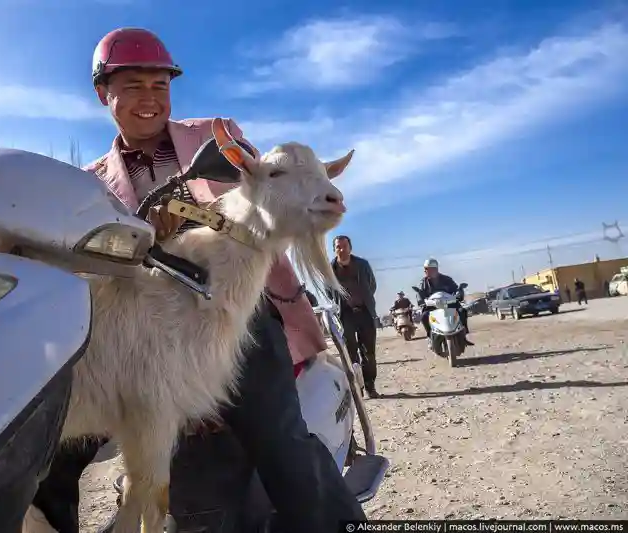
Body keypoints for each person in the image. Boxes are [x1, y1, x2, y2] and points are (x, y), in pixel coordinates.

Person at [32, 27, 363, 533]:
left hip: (234, 315)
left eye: (159, 86)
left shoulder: (217, 137)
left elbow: (262, 202)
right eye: (134, 86)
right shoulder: (90, 181)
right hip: (145, 333)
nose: (149, 98)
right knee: (44, 438)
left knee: (279, 436)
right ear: (104, 94)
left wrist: (189, 216)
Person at [328, 235, 379, 398]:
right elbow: (328, 291)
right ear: (334, 249)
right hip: (345, 315)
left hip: (365, 312)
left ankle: (370, 387)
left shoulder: (362, 265)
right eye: (338, 247)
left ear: (350, 248)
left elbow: (372, 284)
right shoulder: (330, 269)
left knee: (369, 353)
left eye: (344, 246)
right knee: (351, 353)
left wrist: (364, 299)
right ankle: (358, 387)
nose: (341, 250)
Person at [416, 258, 473, 346]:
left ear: (435, 269)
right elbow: (420, 293)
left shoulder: (447, 279)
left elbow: (455, 289)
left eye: (428, 269)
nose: (425, 271)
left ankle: (464, 335)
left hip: (449, 303)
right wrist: (420, 299)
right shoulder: (423, 282)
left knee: (462, 311)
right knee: (424, 316)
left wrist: (459, 292)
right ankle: (430, 337)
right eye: (425, 269)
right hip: (433, 306)